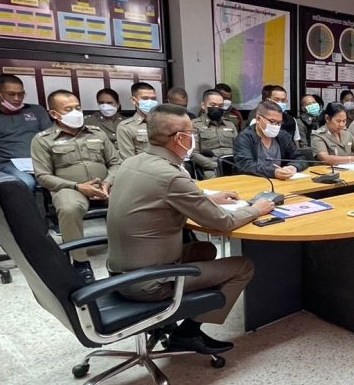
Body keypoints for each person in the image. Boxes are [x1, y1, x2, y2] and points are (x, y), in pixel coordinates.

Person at [107, 104, 275, 353]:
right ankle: (188, 333)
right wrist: (257, 209)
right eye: (190, 132)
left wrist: (209, 197)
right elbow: (223, 222)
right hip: (147, 282)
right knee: (243, 266)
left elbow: (165, 194)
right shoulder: (171, 175)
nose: (193, 137)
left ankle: (175, 315)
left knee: (204, 250)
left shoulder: (133, 162)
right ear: (179, 138)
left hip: (122, 270)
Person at [31, 90, 120, 282]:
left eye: (77, 107)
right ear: (54, 114)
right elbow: (43, 176)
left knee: (132, 200)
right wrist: (78, 187)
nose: (76, 112)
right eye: (68, 109)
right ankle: (80, 262)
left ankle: (127, 255)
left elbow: (115, 163)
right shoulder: (43, 139)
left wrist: (107, 182)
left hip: (105, 186)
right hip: (69, 189)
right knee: (69, 208)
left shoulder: (97, 133)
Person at [0, 73, 52, 189]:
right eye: (11, 94)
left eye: (21, 94)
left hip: (39, 161)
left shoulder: (37, 110)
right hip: (8, 164)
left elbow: (50, 138)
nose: (17, 98)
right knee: (25, 182)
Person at [233, 100, 306, 179]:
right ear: (258, 119)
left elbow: (300, 158)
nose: (276, 126)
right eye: (272, 122)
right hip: (254, 181)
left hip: (281, 181)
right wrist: (273, 172)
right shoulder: (244, 138)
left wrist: (293, 167)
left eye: (279, 123)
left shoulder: (283, 136)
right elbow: (245, 165)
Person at [191, 88, 239, 179]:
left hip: (233, 165)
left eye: (220, 106)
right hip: (211, 168)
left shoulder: (230, 124)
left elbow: (239, 149)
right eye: (213, 105)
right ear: (203, 105)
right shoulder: (194, 125)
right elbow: (193, 153)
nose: (217, 108)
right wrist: (215, 165)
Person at [310, 101, 354, 165]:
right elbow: (324, 158)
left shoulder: (346, 133)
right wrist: (352, 159)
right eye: (338, 121)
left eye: (344, 121)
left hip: (349, 168)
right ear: (327, 118)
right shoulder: (319, 136)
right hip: (328, 170)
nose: (342, 125)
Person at [116, 82, 158, 157]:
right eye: (145, 98)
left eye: (153, 99)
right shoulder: (126, 127)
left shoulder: (163, 123)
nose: (150, 102)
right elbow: (128, 159)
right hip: (142, 164)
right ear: (133, 100)